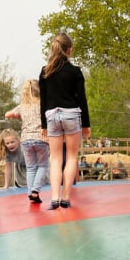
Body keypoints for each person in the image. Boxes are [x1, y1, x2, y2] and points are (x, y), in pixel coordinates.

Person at [39, 33, 90, 210]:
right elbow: (82, 99)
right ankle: (66, 197)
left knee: (55, 159)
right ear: (70, 50)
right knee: (71, 157)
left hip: (51, 115)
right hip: (71, 115)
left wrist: (44, 125)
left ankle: (54, 197)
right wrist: (86, 124)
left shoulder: (45, 71)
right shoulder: (75, 72)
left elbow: (43, 100)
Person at [5, 80, 50, 205]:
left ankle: (30, 193)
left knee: (30, 168)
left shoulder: (22, 106)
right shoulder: (43, 104)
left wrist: (17, 116)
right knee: (43, 166)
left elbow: (7, 114)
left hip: (25, 140)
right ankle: (36, 189)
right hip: (41, 139)